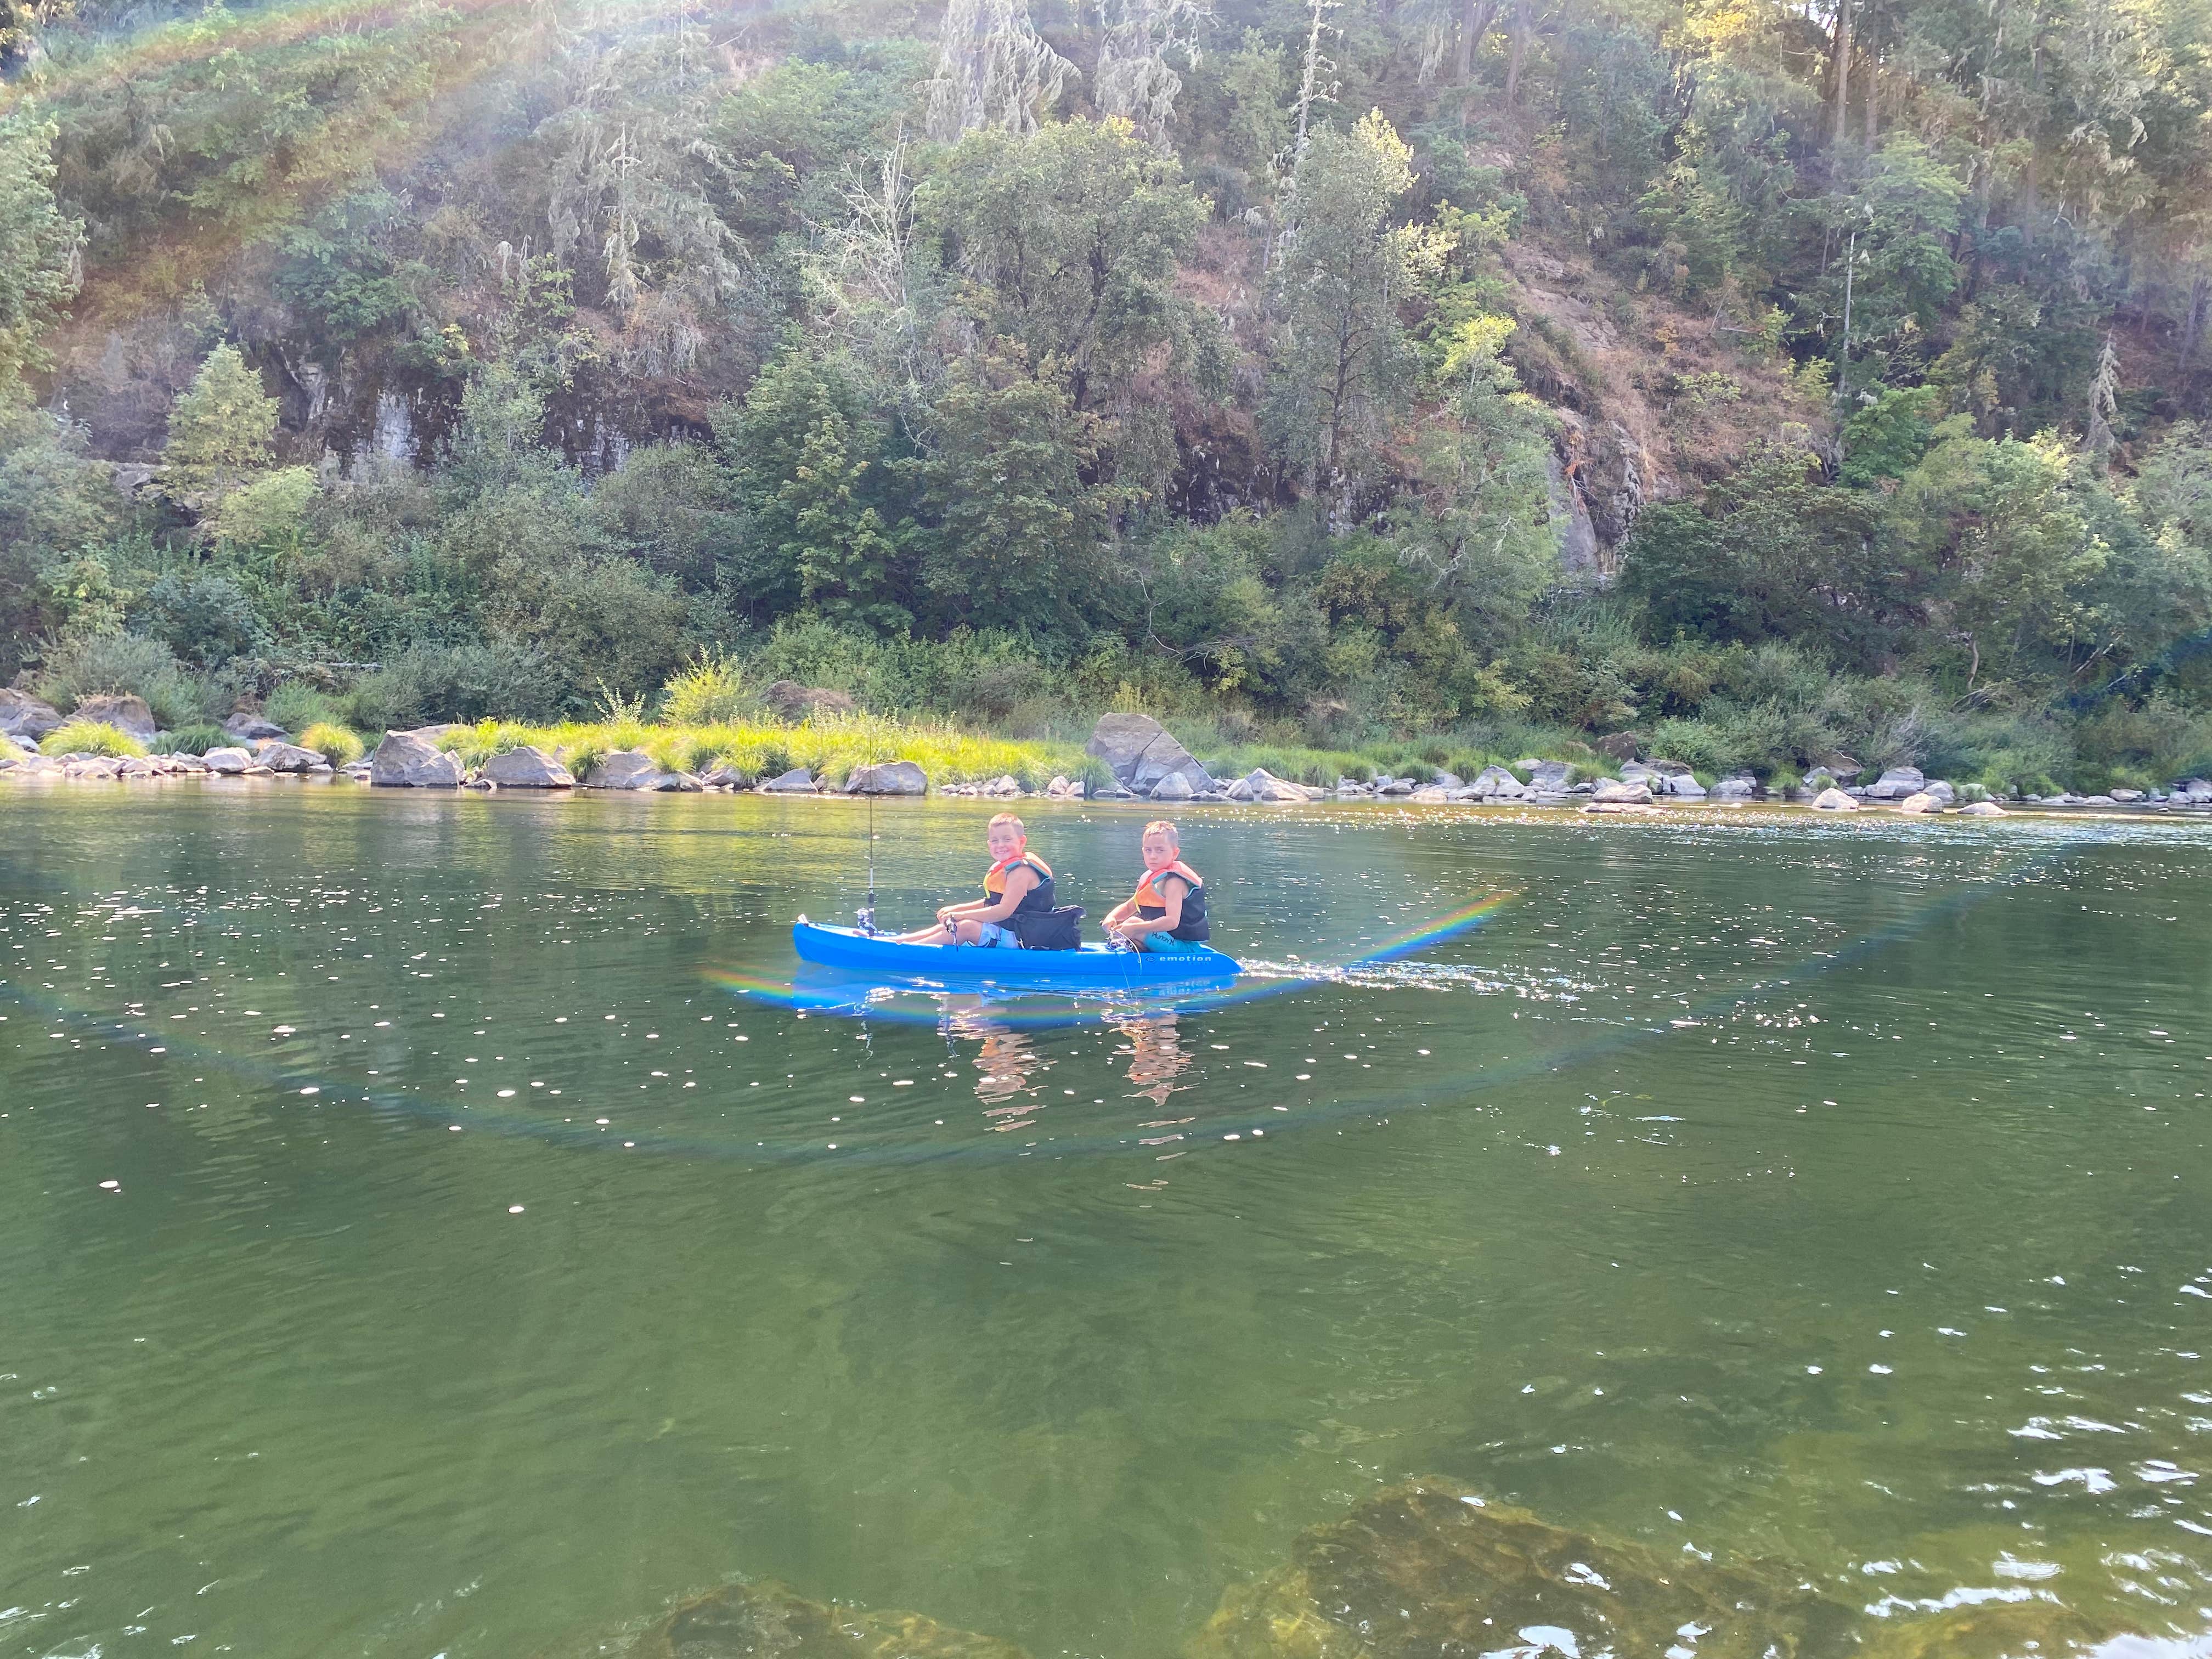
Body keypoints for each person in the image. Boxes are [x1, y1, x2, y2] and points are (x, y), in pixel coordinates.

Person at [899, 812, 1056, 947]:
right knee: (950, 924)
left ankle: (903, 952)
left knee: (966, 927)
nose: (1000, 845)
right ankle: (895, 942)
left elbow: (1003, 911)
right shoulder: (1007, 868)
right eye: (995, 841)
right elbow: (992, 902)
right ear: (989, 844)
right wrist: (956, 910)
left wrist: (961, 916)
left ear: (1022, 842)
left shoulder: (1021, 872)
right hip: (1015, 932)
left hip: (1027, 940)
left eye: (1007, 839)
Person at [1103, 821, 1210, 952]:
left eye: (1160, 850)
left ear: (1175, 853)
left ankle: (1137, 946)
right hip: (1165, 939)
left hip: (1184, 948)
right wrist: (1111, 917)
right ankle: (1136, 948)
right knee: (1133, 921)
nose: (1153, 856)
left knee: (1132, 924)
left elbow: (1172, 922)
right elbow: (1130, 906)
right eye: (1148, 850)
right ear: (1143, 851)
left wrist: (1135, 929)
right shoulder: (1150, 878)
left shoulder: (1174, 883)